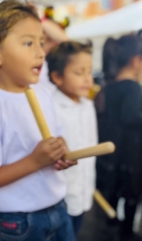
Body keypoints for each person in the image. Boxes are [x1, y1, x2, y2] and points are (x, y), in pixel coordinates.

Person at [0, 0, 77, 241]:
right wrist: (35, 161)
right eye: (28, 43)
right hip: (19, 220)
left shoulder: (42, 89)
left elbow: (54, 136)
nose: (40, 52)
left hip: (58, 205)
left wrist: (60, 152)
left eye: (41, 42)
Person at [95, 31, 142, 240]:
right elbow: (132, 118)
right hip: (131, 152)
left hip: (114, 152)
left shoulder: (110, 85)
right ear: (136, 60)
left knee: (114, 193)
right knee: (132, 195)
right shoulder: (132, 86)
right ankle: (126, 232)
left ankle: (111, 225)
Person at [47, 41, 97, 236]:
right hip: (60, 194)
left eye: (89, 72)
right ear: (57, 77)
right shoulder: (51, 108)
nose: (87, 79)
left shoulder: (88, 105)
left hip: (83, 186)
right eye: (79, 73)